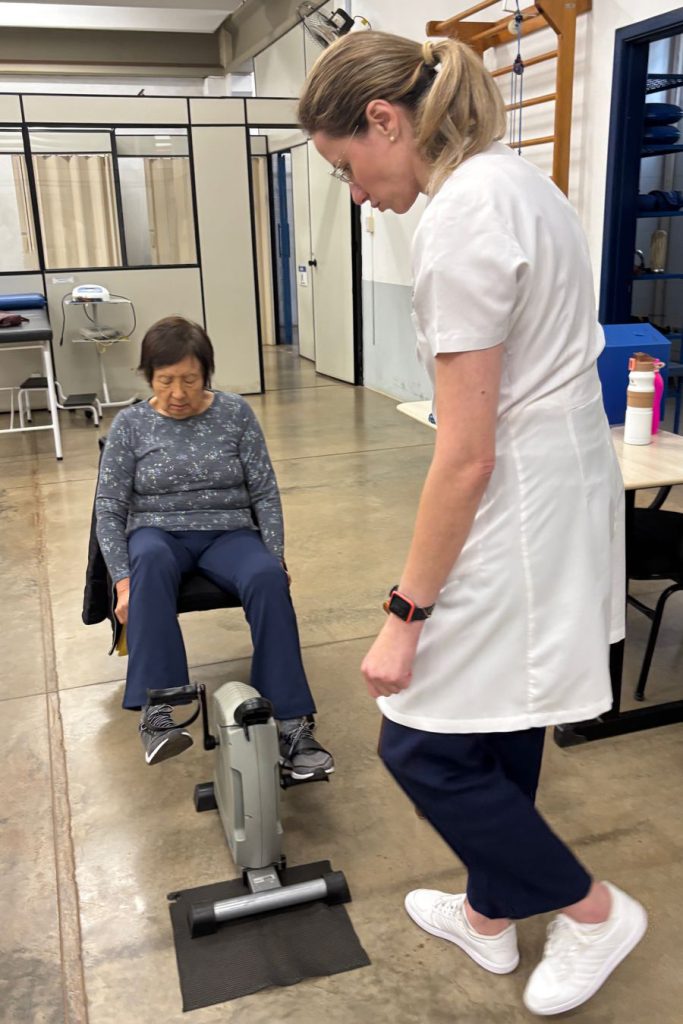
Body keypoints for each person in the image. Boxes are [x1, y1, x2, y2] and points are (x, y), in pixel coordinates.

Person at [298, 31, 646, 1017]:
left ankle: (589, 911)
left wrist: (403, 613)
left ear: (384, 120)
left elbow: (464, 455)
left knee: (419, 744)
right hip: (559, 484)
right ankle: (490, 914)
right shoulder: (518, 181)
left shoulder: (459, 217)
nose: (356, 195)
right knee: (501, 718)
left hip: (520, 507)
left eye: (346, 167)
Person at [95, 315, 334, 779]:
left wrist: (275, 554)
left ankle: (291, 723)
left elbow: (264, 490)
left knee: (266, 577)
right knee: (148, 561)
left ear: (207, 373)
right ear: (149, 376)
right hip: (158, 532)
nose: (178, 393)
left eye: (190, 379)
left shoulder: (235, 413)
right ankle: (159, 712)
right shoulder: (131, 425)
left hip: (227, 532)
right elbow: (109, 507)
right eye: (166, 380)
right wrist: (122, 582)